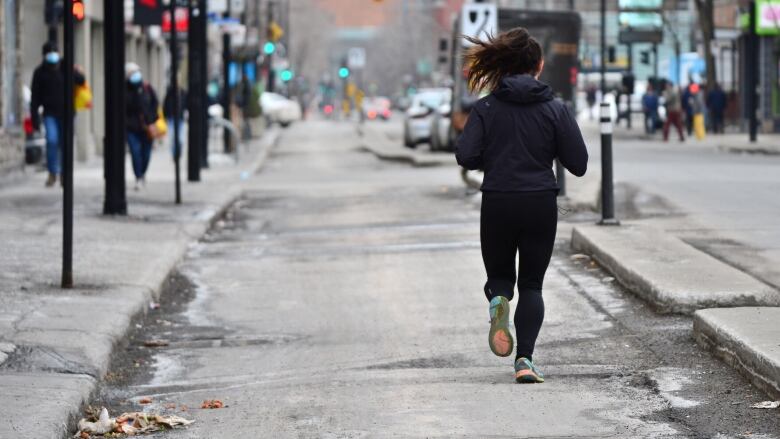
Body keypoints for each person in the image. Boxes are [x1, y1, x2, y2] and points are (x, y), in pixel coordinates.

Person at [455, 28, 588, 384]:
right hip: (540, 202)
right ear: (539, 66)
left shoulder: (486, 108)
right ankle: (524, 361)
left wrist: (495, 154)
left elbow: (466, 156)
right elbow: (579, 163)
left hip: (498, 200)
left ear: (504, 66)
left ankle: (499, 301)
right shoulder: (555, 109)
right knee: (532, 284)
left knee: (501, 278)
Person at [30, 41, 85, 187]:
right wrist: (34, 117)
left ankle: (64, 174)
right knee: (52, 141)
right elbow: (35, 97)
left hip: (67, 113)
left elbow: (81, 80)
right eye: (50, 53)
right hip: (50, 113)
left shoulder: (65, 67)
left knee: (65, 144)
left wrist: (75, 69)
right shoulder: (39, 72)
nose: (53, 56)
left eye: (55, 52)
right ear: (44, 55)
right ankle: (52, 172)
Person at [125, 63, 159, 190]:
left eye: (136, 72)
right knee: (135, 153)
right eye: (132, 73)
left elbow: (155, 104)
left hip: (147, 127)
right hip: (132, 128)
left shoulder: (146, 88)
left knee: (146, 154)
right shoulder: (125, 90)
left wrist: (152, 120)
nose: (135, 75)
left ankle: (142, 173)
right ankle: (138, 176)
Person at [163, 84, 187, 158]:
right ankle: (174, 154)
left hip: (180, 118)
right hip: (171, 118)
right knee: (173, 138)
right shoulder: (170, 93)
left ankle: (178, 152)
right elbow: (165, 105)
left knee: (180, 138)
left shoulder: (183, 93)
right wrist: (165, 117)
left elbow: (186, 104)